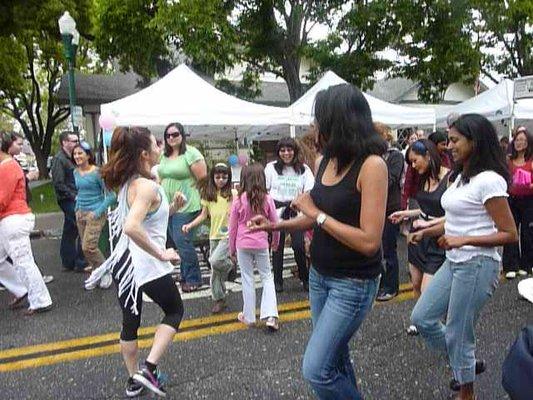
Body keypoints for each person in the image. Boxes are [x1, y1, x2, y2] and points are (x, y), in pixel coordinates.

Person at [249, 84, 387, 399]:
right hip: (320, 277)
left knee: (316, 370)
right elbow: (311, 214)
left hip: (352, 284)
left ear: (338, 122)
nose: (314, 128)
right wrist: (275, 225)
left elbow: (369, 241)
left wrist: (318, 215)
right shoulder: (325, 160)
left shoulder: (372, 166)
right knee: (335, 358)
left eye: (318, 121)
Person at [410, 114, 518, 400]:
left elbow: (510, 234)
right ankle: (466, 364)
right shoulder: (460, 177)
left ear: (475, 141)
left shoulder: (489, 180)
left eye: (455, 140)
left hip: (478, 263)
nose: (449, 146)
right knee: (422, 317)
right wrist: (427, 229)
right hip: (455, 260)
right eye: (448, 140)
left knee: (459, 331)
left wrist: (463, 239)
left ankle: (466, 392)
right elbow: (456, 218)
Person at [86, 127, 185, 398]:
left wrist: (172, 207)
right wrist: (161, 253)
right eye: (156, 144)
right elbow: (131, 227)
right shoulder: (148, 185)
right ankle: (149, 369)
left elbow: (147, 219)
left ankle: (134, 380)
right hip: (143, 263)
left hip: (125, 262)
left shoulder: (133, 182)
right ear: (144, 153)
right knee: (175, 310)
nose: (161, 147)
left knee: (131, 322)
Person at [390, 139, 450, 334]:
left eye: (416, 161)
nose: (413, 166)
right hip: (418, 237)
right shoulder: (423, 178)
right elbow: (424, 210)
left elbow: (454, 215)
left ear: (428, 155)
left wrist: (428, 224)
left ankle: (441, 326)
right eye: (411, 163)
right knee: (415, 283)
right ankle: (420, 319)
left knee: (428, 289)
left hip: (438, 238)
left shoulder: (450, 179)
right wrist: (405, 214)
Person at [0, 133, 53, 315]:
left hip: (13, 219)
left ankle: (40, 300)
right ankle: (21, 289)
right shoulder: (9, 166)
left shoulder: (7, 167)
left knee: (23, 262)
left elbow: (2, 200)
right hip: (12, 218)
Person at [229, 163, 280, 331]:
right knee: (266, 276)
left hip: (242, 243)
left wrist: (232, 249)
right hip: (261, 242)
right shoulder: (268, 199)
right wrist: (275, 242)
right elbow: (274, 223)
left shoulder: (238, 200)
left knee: (247, 277)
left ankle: (249, 316)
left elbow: (233, 227)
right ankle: (271, 316)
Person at [158, 122, 207, 292]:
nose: (171, 138)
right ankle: (186, 274)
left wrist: (204, 203)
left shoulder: (191, 153)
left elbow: (203, 179)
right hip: (168, 205)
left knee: (182, 241)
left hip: (187, 204)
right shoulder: (164, 155)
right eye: (168, 135)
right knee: (178, 242)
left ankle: (194, 278)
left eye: (175, 134)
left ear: (182, 135)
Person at [182, 163, 234, 314]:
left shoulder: (232, 194)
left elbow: (236, 212)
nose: (221, 180)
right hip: (214, 235)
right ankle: (220, 299)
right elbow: (203, 215)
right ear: (212, 177)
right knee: (215, 271)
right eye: (217, 177)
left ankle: (231, 265)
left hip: (228, 235)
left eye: (224, 177)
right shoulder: (208, 195)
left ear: (229, 178)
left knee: (215, 261)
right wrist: (190, 225)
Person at [265, 137, 315, 293]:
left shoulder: (304, 169)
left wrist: (299, 202)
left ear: (295, 151)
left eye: (289, 150)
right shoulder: (271, 168)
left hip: (296, 211)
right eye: (283, 150)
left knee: (299, 246)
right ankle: (278, 281)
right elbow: (265, 190)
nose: (286, 153)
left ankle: (305, 278)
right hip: (277, 211)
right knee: (277, 248)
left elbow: (309, 190)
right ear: (278, 152)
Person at [72, 141, 116, 286]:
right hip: (80, 213)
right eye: (75, 153)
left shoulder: (98, 172)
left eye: (80, 153)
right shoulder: (75, 172)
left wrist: (97, 212)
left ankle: (105, 270)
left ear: (88, 155)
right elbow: (80, 192)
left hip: (95, 213)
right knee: (86, 249)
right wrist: (77, 209)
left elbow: (111, 196)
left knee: (88, 246)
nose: (77, 156)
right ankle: (97, 273)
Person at [375, 123, 404, 302]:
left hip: (390, 208)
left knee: (389, 249)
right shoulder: (372, 156)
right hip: (375, 208)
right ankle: (381, 283)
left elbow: (392, 179)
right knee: (376, 249)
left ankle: (392, 286)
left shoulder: (395, 156)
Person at [51, 131, 86, 272]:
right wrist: (73, 196)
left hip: (74, 196)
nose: (76, 143)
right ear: (64, 142)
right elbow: (58, 183)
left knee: (70, 230)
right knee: (81, 226)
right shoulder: (59, 159)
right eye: (73, 141)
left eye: (77, 140)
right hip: (68, 199)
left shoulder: (72, 157)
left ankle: (68, 261)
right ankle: (81, 262)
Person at [502, 128, 533, 279]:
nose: (520, 143)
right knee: (511, 232)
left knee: (528, 233)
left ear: (528, 143)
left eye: (523, 141)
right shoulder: (508, 160)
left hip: (529, 201)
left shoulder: (531, 160)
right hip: (511, 200)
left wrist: (530, 185)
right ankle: (510, 265)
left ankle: (527, 265)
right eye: (518, 140)